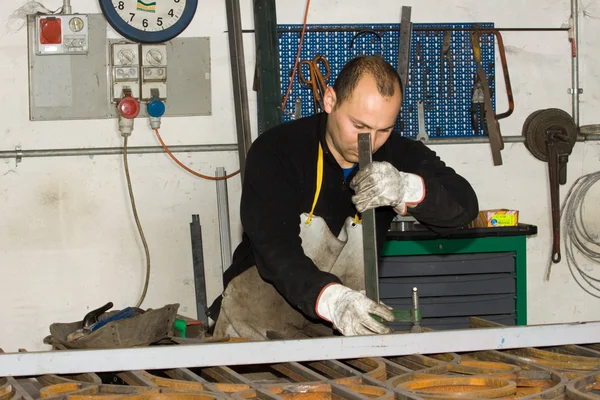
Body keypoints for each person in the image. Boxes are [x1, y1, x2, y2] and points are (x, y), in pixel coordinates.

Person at [208, 55, 479, 340]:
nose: (371, 142)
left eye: (384, 129)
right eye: (359, 127)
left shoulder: (397, 155)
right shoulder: (277, 150)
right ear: (330, 100)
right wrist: (334, 301)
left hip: (339, 333)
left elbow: (464, 206)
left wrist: (407, 188)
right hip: (257, 327)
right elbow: (274, 247)